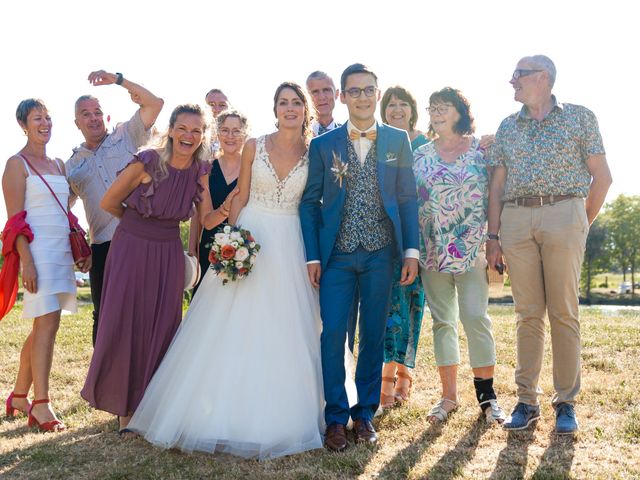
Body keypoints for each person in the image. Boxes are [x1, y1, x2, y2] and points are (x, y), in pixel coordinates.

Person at [127, 82, 325, 460]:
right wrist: (231, 242)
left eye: (296, 103)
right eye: (282, 102)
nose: (289, 108)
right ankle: (215, 413)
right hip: (251, 234)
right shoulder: (255, 145)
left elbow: (313, 203)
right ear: (275, 109)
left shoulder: (315, 151)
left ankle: (285, 414)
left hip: (292, 240)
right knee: (230, 323)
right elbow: (241, 197)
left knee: (287, 325)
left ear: (305, 109)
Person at [81, 104, 236, 433]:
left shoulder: (201, 171)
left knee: (163, 323)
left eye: (196, 131)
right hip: (131, 246)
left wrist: (226, 208)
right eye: (183, 128)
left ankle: (151, 405)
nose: (189, 135)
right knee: (127, 320)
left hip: (168, 251)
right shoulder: (147, 161)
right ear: (171, 129)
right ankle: (124, 411)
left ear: (203, 136)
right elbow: (109, 202)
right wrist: (139, 229)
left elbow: (206, 219)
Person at [486, 55, 612, 434]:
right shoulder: (507, 126)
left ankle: (565, 403)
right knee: (527, 314)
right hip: (516, 219)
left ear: (542, 78)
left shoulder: (580, 117)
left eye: (518, 75)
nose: (511, 81)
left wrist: (578, 224)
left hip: (565, 212)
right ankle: (526, 401)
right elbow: (496, 187)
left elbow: (602, 178)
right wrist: (493, 237)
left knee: (563, 312)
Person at [300, 63, 419, 451]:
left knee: (372, 334)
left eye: (369, 90)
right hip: (336, 255)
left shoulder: (397, 140)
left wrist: (411, 252)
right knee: (333, 333)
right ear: (343, 96)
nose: (363, 97)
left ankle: (364, 413)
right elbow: (310, 203)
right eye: (354, 91)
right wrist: (313, 256)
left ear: (377, 94)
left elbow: (406, 198)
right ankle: (335, 417)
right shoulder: (323, 145)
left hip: (381, 254)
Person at [413, 87, 506, 425]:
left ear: (460, 112)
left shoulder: (481, 151)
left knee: (475, 318)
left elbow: (499, 193)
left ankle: (487, 397)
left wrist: (497, 240)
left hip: (472, 250)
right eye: (433, 107)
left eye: (445, 107)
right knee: (443, 323)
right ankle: (448, 397)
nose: (438, 112)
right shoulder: (419, 155)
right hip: (431, 252)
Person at [2, 99, 88, 432]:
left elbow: (63, 213)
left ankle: (21, 395)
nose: (45, 123)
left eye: (48, 118)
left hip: (61, 252)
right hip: (37, 254)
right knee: (47, 326)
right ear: (23, 125)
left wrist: (77, 246)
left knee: (44, 326)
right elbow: (14, 222)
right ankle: (42, 404)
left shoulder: (59, 164)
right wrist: (27, 262)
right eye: (37, 118)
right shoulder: (16, 164)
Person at [66, 70, 163, 346]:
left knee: (146, 313)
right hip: (103, 249)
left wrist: (118, 80)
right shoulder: (71, 166)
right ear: (77, 123)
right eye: (86, 114)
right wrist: (76, 246)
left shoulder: (128, 135)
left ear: (105, 116)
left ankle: (148, 381)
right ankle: (103, 385)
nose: (93, 117)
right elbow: (62, 210)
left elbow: (155, 104)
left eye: (97, 111)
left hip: (142, 238)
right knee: (105, 318)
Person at [378, 86, 427, 408]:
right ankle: (384, 378)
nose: (397, 109)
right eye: (391, 105)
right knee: (389, 309)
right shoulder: (382, 144)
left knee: (413, 305)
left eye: (403, 104)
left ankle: (404, 374)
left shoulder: (426, 145)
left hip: (421, 237)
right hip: (386, 235)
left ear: (412, 109)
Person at [188, 109, 248, 295]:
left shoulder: (252, 169)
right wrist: (226, 207)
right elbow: (206, 221)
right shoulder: (206, 169)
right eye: (224, 130)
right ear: (217, 134)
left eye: (236, 131)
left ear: (245, 134)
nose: (230, 136)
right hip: (211, 248)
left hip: (245, 249)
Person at [306, 71, 341, 136]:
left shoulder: (347, 134)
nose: (322, 97)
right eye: (315, 92)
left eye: (326, 90)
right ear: (307, 98)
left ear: (336, 94)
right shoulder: (299, 135)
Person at [204, 88, 230, 158]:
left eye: (222, 105)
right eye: (211, 105)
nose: (217, 110)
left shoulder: (240, 137)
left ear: (230, 108)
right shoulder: (196, 133)